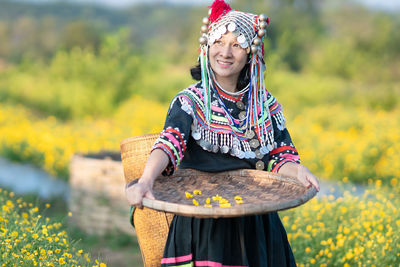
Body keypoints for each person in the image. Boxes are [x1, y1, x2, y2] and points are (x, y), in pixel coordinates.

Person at [126, 0, 320, 266]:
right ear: (207, 48)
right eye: (218, 42)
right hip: (204, 226)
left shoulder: (265, 105)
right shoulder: (190, 101)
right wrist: (146, 179)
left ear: (251, 53)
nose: (226, 53)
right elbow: (169, 144)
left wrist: (298, 171)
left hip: (256, 222)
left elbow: (278, 157)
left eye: (237, 44)